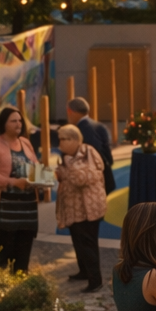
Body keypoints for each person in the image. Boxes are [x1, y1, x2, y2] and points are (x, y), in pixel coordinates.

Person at [0, 106, 42, 272]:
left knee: (23, 249)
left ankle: (20, 282)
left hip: (27, 207)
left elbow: (36, 166)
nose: (18, 124)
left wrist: (42, 178)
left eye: (20, 120)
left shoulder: (26, 143)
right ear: (4, 124)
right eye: (13, 121)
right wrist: (13, 182)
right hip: (5, 207)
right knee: (1, 252)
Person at [54, 123, 108, 292]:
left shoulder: (88, 152)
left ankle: (95, 280)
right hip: (73, 208)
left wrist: (68, 170)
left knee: (88, 244)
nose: (60, 143)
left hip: (89, 208)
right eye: (60, 139)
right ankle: (83, 271)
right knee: (78, 241)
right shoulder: (65, 156)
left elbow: (86, 177)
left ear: (75, 139)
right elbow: (64, 177)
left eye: (64, 139)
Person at [66, 96, 116, 195]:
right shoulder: (99, 125)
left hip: (91, 182)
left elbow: (90, 156)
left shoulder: (80, 130)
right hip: (106, 175)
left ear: (70, 111)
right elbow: (108, 156)